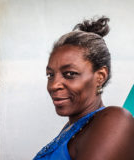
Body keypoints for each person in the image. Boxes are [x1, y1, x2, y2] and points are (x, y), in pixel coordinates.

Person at [33, 16, 134, 160]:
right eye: (50, 75)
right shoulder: (73, 128)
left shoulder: (115, 120)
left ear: (100, 76)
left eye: (70, 74)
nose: (54, 85)